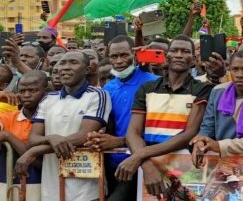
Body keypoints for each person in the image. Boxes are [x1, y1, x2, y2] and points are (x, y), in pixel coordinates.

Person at [116, 35, 212, 198]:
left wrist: (140, 155)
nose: (179, 55)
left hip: (181, 168)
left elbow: (189, 134)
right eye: (174, 50)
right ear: (166, 56)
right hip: (144, 167)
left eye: (185, 51)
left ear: (194, 59)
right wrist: (147, 165)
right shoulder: (147, 88)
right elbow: (133, 133)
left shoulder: (202, 89)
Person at [16, 52, 111, 201]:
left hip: (86, 186)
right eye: (62, 63)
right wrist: (51, 138)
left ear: (87, 69)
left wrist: (34, 151)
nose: (65, 67)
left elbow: (84, 135)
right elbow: (33, 138)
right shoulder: (48, 98)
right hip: (52, 185)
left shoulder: (97, 95)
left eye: (73, 62)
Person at [84, 35, 158, 201]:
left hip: (144, 161)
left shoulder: (154, 83)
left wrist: (119, 141)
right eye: (114, 56)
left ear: (134, 54)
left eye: (124, 55)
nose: (119, 61)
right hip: (114, 163)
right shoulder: (108, 88)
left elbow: (158, 129)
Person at [0, 70, 48, 201]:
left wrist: (9, 136)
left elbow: (40, 162)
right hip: (7, 183)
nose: (26, 95)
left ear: (46, 91)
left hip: (43, 185)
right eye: (22, 91)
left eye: (33, 90)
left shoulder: (53, 120)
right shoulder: (8, 117)